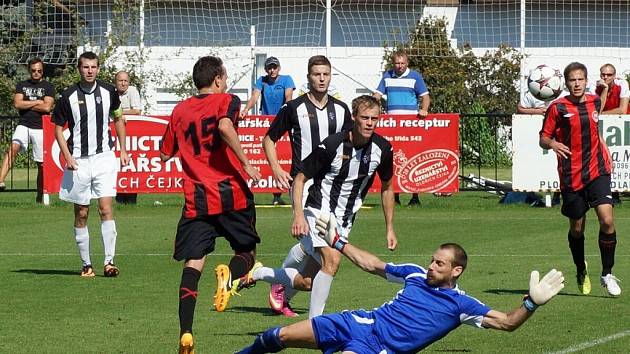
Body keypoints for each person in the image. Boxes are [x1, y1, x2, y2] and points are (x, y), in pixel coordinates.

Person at [236, 220, 565, 354]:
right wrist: (339, 241)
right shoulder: (414, 274)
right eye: (433, 260)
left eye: (439, 263)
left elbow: (506, 322)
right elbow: (373, 264)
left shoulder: (462, 305)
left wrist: (531, 304)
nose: (432, 265)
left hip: (377, 348)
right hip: (359, 322)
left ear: (456, 271)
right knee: (277, 336)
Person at [250, 95, 396, 319]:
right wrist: (298, 215)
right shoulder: (332, 145)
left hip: (344, 220)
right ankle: (315, 325)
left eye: (374, 119)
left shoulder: (382, 149)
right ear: (354, 117)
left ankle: (259, 273)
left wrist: (389, 228)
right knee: (332, 260)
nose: (369, 123)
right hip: (318, 210)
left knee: (306, 282)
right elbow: (299, 179)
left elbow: (387, 188)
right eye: (364, 117)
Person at [159, 56, 263, 354]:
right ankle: (229, 278)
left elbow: (165, 154)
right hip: (230, 192)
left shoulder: (179, 110)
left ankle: (186, 332)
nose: (227, 82)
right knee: (247, 252)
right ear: (217, 78)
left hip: (196, 198)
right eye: (225, 77)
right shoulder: (226, 100)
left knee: (194, 263)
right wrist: (246, 162)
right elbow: (225, 126)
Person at [261, 55, 352, 317]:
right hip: (304, 182)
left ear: (330, 76)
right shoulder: (293, 108)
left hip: (331, 187)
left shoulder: (342, 109)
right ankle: (281, 288)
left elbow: (348, 144)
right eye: (316, 74)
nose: (321, 79)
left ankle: (280, 286)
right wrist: (277, 168)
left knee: (314, 247)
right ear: (309, 77)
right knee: (322, 250)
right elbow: (269, 140)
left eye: (326, 74)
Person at [540, 62, 622, 297]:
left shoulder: (594, 102)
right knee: (577, 229)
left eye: (580, 79)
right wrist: (553, 143)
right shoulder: (557, 108)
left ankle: (607, 273)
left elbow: (596, 127)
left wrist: (604, 149)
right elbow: (543, 138)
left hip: (598, 170)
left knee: (607, 220)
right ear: (565, 83)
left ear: (586, 81)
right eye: (572, 80)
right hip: (571, 175)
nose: (577, 83)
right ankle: (580, 268)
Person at [53, 51, 129, 278]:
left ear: (98, 68)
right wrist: (67, 156)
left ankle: (109, 262)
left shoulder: (109, 91)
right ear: (79, 69)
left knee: (106, 209)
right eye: (85, 67)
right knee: (82, 213)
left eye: (93, 67)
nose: (90, 71)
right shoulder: (67, 96)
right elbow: (57, 129)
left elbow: (118, 118)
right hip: (79, 161)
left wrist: (123, 149)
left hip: (104, 156)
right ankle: (86, 264)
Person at [373, 50, 431, 207]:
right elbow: (377, 95)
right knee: (393, 159)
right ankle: (395, 195)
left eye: (402, 63)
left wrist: (424, 109)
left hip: (410, 124)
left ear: (407, 63)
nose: (399, 66)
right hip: (393, 125)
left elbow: (425, 96)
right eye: (397, 63)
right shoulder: (387, 76)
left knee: (412, 156)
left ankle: (415, 196)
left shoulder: (415, 77)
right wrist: (371, 108)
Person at [240, 56, 295, 206]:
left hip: (282, 123)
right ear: (266, 69)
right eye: (269, 67)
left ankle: (288, 192)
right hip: (266, 124)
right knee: (267, 158)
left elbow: (289, 97)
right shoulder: (262, 80)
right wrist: (245, 109)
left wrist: (288, 113)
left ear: (279, 68)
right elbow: (254, 97)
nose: (272, 70)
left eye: (274, 67)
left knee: (286, 157)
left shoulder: (287, 79)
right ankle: (274, 194)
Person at [0, 58, 55, 202]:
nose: (36, 73)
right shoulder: (22, 85)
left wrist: (27, 104)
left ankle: (40, 194)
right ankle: (0, 180)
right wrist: (37, 101)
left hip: (41, 127)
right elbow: (17, 104)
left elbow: (47, 107)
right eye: (33, 70)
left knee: (41, 164)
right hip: (23, 124)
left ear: (43, 71)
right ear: (29, 70)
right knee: (12, 148)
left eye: (39, 71)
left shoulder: (48, 86)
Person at [516, 90, 561, 206]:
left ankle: (558, 195)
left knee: (561, 164)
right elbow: (520, 108)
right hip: (541, 136)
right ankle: (533, 193)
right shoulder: (532, 92)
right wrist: (538, 111)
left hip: (560, 133)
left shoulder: (563, 92)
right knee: (542, 165)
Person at [595, 63, 629, 205]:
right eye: (603, 74)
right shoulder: (595, 87)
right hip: (603, 126)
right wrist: (604, 89)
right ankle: (610, 194)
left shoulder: (622, 85)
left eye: (609, 74)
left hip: (622, 124)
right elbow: (597, 108)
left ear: (614, 76)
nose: (605, 77)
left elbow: (622, 109)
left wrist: (601, 114)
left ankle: (618, 194)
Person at [114, 70, 143, 205]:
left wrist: (118, 113)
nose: (123, 83)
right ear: (116, 82)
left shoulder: (132, 91)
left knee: (132, 165)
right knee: (117, 167)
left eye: (125, 81)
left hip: (133, 136)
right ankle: (118, 198)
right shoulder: (111, 92)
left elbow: (137, 111)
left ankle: (131, 199)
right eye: (120, 80)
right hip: (116, 135)